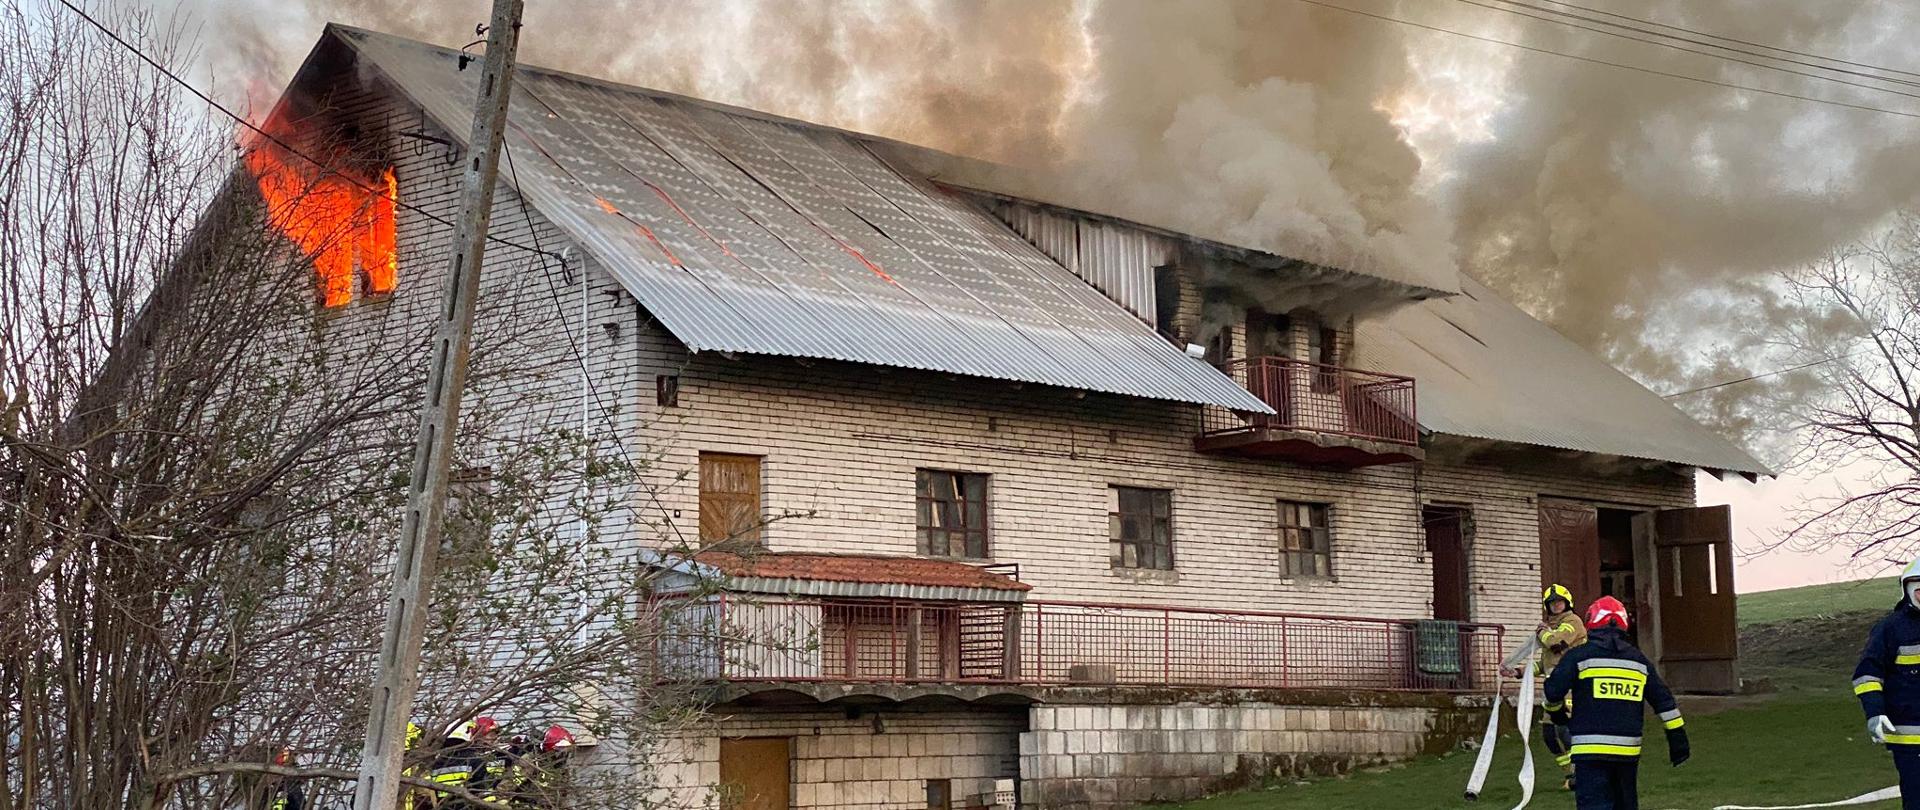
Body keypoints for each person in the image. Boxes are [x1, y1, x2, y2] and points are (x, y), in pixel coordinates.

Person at [1543, 596, 1689, 810]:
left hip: (1589, 752)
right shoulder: (1638, 661)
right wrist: (1678, 740)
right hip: (1627, 753)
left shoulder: (1579, 656)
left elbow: (1552, 691)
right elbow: (1664, 702)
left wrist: (1557, 715)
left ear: (1592, 621)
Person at [1851, 559, 1920, 809]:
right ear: (1907, 590)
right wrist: (1875, 712)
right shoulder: (1891, 629)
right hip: (1911, 742)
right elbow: (1867, 675)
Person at [1537, 583, 1588, 791]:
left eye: (1559, 602)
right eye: (1552, 603)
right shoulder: (1551, 628)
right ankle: (1571, 774)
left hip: (1571, 687)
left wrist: (1542, 634)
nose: (1556, 606)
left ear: (1567, 603)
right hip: (1554, 689)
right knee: (1549, 735)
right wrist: (1518, 672)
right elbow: (1546, 663)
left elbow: (1556, 643)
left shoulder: (1572, 622)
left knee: (1565, 730)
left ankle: (1580, 773)